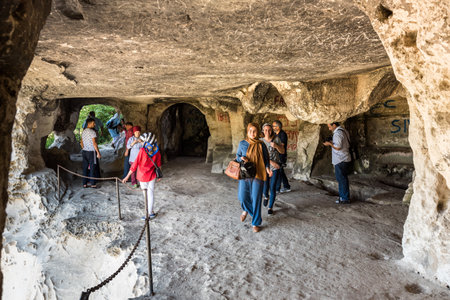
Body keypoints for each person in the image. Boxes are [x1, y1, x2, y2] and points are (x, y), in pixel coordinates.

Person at [236, 123, 270, 233]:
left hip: (258, 174)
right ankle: (246, 209)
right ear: (247, 131)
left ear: (258, 132)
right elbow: (237, 156)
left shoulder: (261, 144)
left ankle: (255, 222)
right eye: (250, 131)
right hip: (245, 174)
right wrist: (241, 158)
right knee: (242, 197)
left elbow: (266, 159)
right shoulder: (242, 143)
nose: (252, 133)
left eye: (255, 131)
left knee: (256, 198)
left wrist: (268, 168)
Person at [123, 133, 161, 219]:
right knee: (150, 194)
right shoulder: (157, 151)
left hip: (142, 176)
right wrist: (159, 176)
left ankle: (148, 214)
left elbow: (134, 165)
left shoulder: (142, 151)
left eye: (142, 141)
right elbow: (158, 164)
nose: (141, 143)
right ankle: (151, 212)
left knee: (146, 195)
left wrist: (127, 176)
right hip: (152, 175)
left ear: (146, 142)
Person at [323, 122, 351, 204]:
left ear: (334, 125)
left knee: (341, 179)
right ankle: (343, 197)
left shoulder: (338, 133)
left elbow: (338, 147)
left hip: (340, 159)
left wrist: (329, 144)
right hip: (345, 157)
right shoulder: (344, 131)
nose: (329, 129)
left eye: (329, 127)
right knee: (343, 178)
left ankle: (344, 198)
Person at [260, 123, 285, 215]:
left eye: (269, 130)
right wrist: (271, 162)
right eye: (265, 130)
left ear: (272, 131)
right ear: (263, 131)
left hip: (275, 167)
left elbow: (282, 151)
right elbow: (260, 156)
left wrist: (276, 146)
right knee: (265, 186)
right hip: (264, 166)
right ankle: (266, 197)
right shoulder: (260, 141)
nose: (267, 132)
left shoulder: (276, 139)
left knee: (273, 186)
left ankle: (270, 207)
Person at [80, 118, 101, 188]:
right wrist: (98, 152)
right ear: (89, 123)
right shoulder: (92, 132)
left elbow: (81, 142)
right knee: (92, 167)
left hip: (84, 151)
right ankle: (92, 183)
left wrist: (84, 148)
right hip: (91, 152)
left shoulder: (84, 131)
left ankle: (84, 183)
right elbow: (94, 143)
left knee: (85, 167)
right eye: (93, 123)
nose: (94, 124)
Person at [272, 120, 291, 193]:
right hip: (276, 155)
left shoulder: (282, 134)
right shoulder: (275, 134)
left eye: (274, 126)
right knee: (281, 171)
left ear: (278, 127)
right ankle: (287, 186)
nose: (273, 127)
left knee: (279, 172)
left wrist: (275, 145)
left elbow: (281, 146)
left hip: (281, 155)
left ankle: (277, 189)